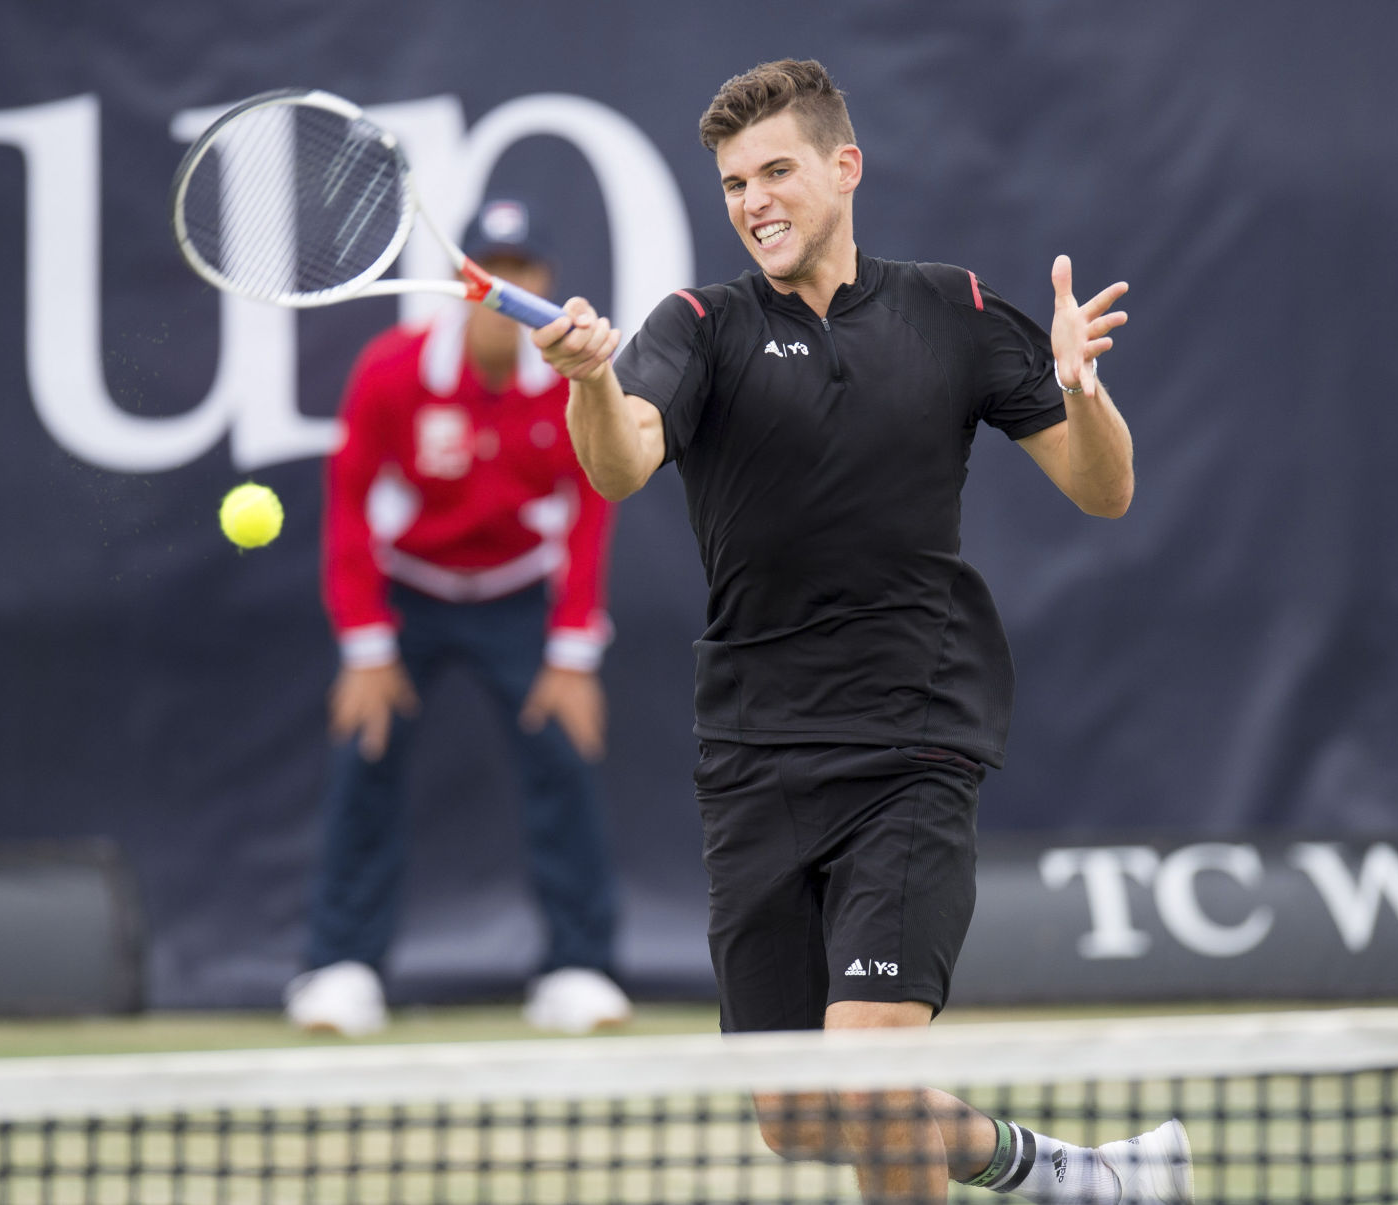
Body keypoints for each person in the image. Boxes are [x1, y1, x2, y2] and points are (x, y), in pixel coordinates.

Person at [534, 60, 1191, 1204]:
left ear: (846, 167)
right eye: (736, 182)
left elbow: (1106, 492)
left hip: (911, 741)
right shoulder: (698, 325)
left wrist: (1084, 394)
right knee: (798, 1115)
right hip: (754, 755)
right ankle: (1062, 1173)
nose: (753, 200)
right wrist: (592, 379)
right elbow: (621, 459)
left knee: (873, 1076)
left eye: (776, 170)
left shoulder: (959, 311)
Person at [284, 198, 632, 1038]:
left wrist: (573, 652)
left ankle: (578, 966)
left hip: (518, 593)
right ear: (460, 281)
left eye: (523, 270)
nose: (507, 286)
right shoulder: (392, 370)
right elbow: (350, 505)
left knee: (563, 755)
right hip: (411, 594)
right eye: (491, 269)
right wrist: (367, 645)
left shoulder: (568, 378)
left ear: (545, 283)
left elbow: (591, 513)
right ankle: (341, 966)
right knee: (366, 754)